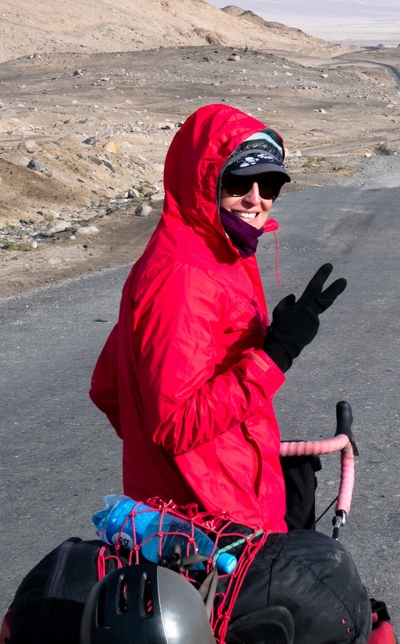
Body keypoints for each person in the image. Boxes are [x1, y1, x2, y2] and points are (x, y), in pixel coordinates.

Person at [89, 103, 347, 531]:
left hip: (202, 499)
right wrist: (275, 355)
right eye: (239, 181)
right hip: (213, 519)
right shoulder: (184, 275)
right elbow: (175, 424)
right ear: (203, 180)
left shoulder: (211, 251)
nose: (256, 198)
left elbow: (109, 387)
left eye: (270, 185)